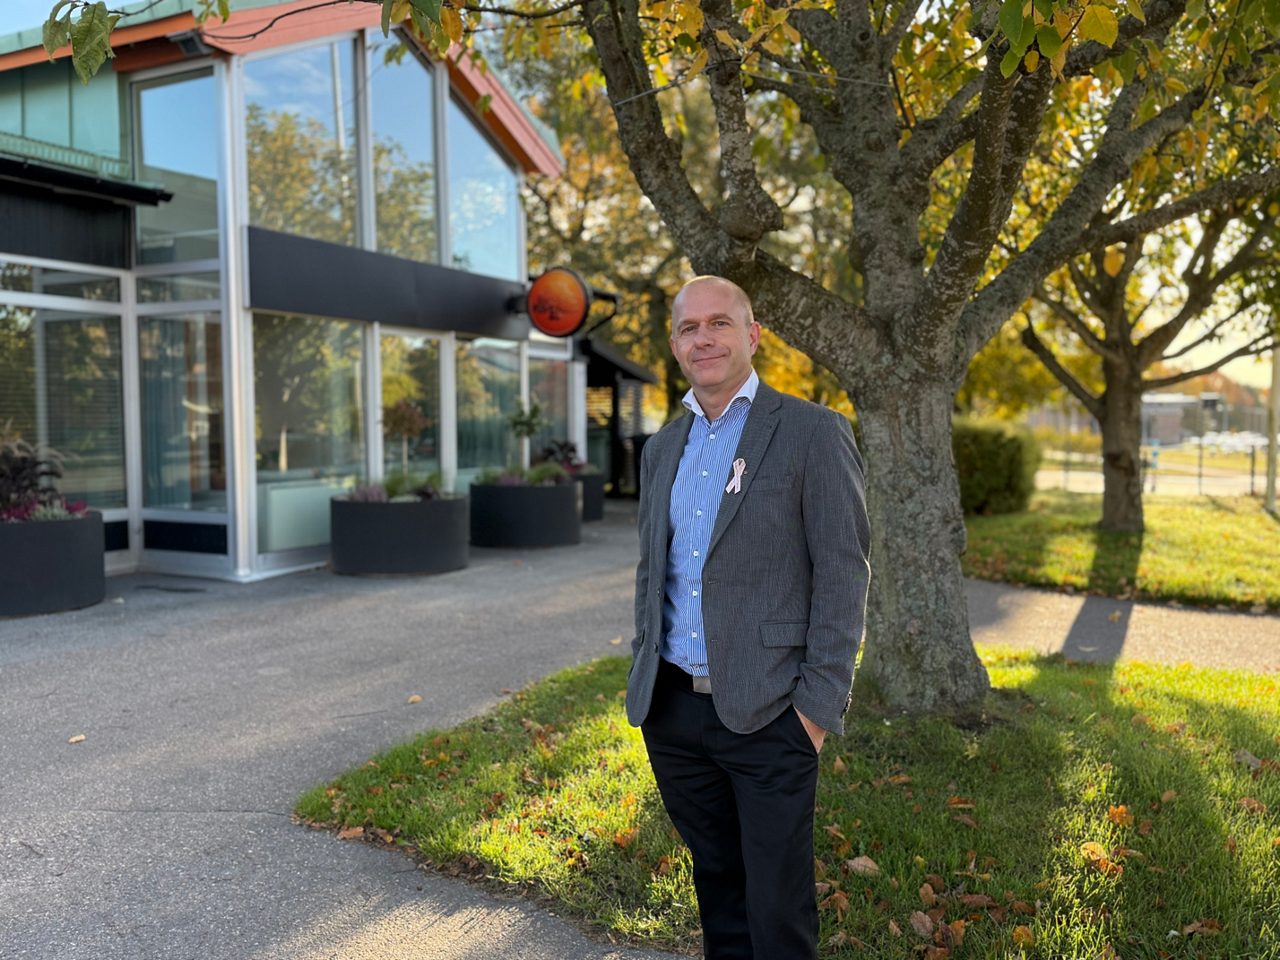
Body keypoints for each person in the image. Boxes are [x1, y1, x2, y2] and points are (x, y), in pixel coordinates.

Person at [627, 275, 872, 959]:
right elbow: (656, 570)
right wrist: (646, 674)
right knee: (718, 886)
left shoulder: (812, 433)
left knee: (777, 906)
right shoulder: (661, 449)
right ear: (675, 344)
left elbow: (844, 572)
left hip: (772, 713)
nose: (703, 338)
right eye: (688, 328)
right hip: (674, 711)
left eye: (720, 323)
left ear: (753, 334)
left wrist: (816, 711)